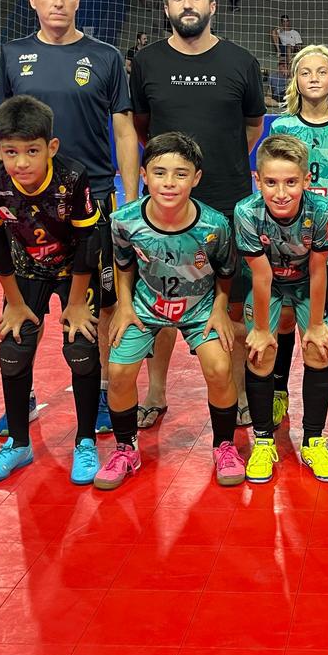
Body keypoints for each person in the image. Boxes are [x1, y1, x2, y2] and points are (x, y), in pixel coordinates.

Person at [0, 0, 140, 439]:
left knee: (101, 303)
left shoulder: (105, 56)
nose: (58, 1)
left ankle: (101, 394)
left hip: (92, 199)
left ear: (78, 0)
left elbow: (123, 130)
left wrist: (131, 199)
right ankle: (23, 394)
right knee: (22, 300)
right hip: (27, 206)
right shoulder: (12, 55)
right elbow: (0, 133)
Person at [130, 0, 266, 427]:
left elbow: (252, 127)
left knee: (234, 305)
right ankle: (156, 391)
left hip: (228, 200)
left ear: (212, 5)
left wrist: (218, 164)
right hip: (165, 206)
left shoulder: (241, 61)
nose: (187, 4)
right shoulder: (146, 62)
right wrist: (174, 175)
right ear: (166, 7)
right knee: (159, 302)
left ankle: (240, 392)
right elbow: (144, 128)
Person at [97, 132, 240, 488]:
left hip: (199, 308)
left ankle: (224, 445)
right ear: (144, 175)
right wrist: (125, 305)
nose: (169, 182)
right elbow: (123, 264)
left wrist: (220, 308)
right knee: (118, 371)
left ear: (196, 178)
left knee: (220, 367)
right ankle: (125, 448)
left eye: (181, 173)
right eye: (160, 172)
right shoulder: (124, 221)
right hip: (146, 307)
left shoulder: (214, 226)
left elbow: (225, 272)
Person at [0, 95, 103, 485]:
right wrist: (13, 302)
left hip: (74, 268)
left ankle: (85, 441)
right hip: (26, 267)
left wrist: (76, 303)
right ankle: (18, 444)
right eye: (11, 152)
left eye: (32, 151)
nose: (22, 162)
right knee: (12, 349)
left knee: (80, 346)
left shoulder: (72, 177)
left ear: (51, 147)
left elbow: (89, 241)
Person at [268, 44, 328, 426]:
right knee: (286, 315)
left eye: (321, 71)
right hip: (290, 237)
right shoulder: (283, 127)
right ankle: (278, 391)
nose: (313, 78)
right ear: (295, 80)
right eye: (305, 72)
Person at [237, 135, 328, 484]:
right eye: (271, 182)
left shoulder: (322, 210)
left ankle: (313, 441)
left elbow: (318, 268)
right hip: (268, 282)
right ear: (257, 180)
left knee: (319, 348)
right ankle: (263, 441)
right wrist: (260, 330)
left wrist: (316, 325)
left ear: (307, 180)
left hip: (307, 280)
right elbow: (261, 276)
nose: (281, 193)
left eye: (291, 182)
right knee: (260, 352)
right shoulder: (246, 212)